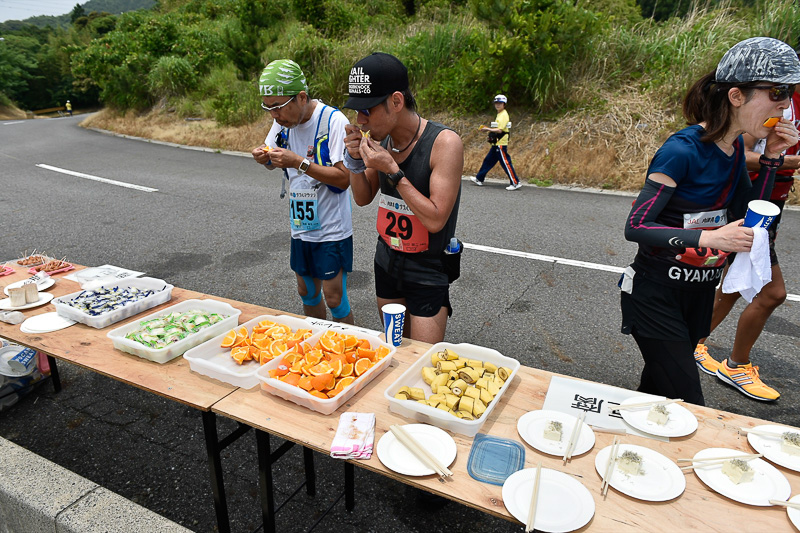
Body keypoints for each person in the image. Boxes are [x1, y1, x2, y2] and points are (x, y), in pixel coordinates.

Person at [620, 37, 800, 406]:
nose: (786, 104)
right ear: (737, 96)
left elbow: (752, 216)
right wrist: (709, 238)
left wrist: (772, 159)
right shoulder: (681, 151)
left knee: (657, 396)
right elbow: (635, 226)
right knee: (690, 405)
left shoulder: (733, 150)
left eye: (791, 92)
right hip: (655, 296)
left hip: (699, 294)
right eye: (777, 92)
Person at [342, 52, 463, 343]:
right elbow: (362, 197)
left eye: (367, 110)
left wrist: (393, 171)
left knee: (421, 360)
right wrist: (354, 160)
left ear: (396, 102)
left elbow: (435, 219)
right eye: (356, 111)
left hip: (428, 267)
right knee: (394, 350)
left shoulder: (444, 143)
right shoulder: (380, 139)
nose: (360, 120)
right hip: (387, 261)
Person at [693, 78, 800, 401]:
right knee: (772, 293)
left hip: (772, 204)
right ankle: (735, 364)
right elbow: (739, 151)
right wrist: (785, 162)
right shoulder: (780, 99)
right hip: (751, 204)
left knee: (733, 286)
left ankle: (690, 343)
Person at [251, 59, 355, 324]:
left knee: (335, 298)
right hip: (301, 224)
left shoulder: (332, 121)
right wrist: (264, 159)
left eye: (278, 107)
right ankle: (318, 346)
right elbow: (276, 158)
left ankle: (349, 353)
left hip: (332, 229)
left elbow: (344, 179)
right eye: (268, 108)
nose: (274, 115)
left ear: (301, 97)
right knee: (306, 292)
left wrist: (299, 162)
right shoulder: (283, 122)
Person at [470, 94, 521, 190]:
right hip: (496, 143)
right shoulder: (500, 114)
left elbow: (500, 130)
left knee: (506, 163)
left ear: (504, 104)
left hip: (501, 143)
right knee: (488, 161)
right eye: (496, 103)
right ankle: (479, 178)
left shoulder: (503, 115)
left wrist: (487, 129)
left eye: (500, 103)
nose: (497, 105)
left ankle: (515, 182)